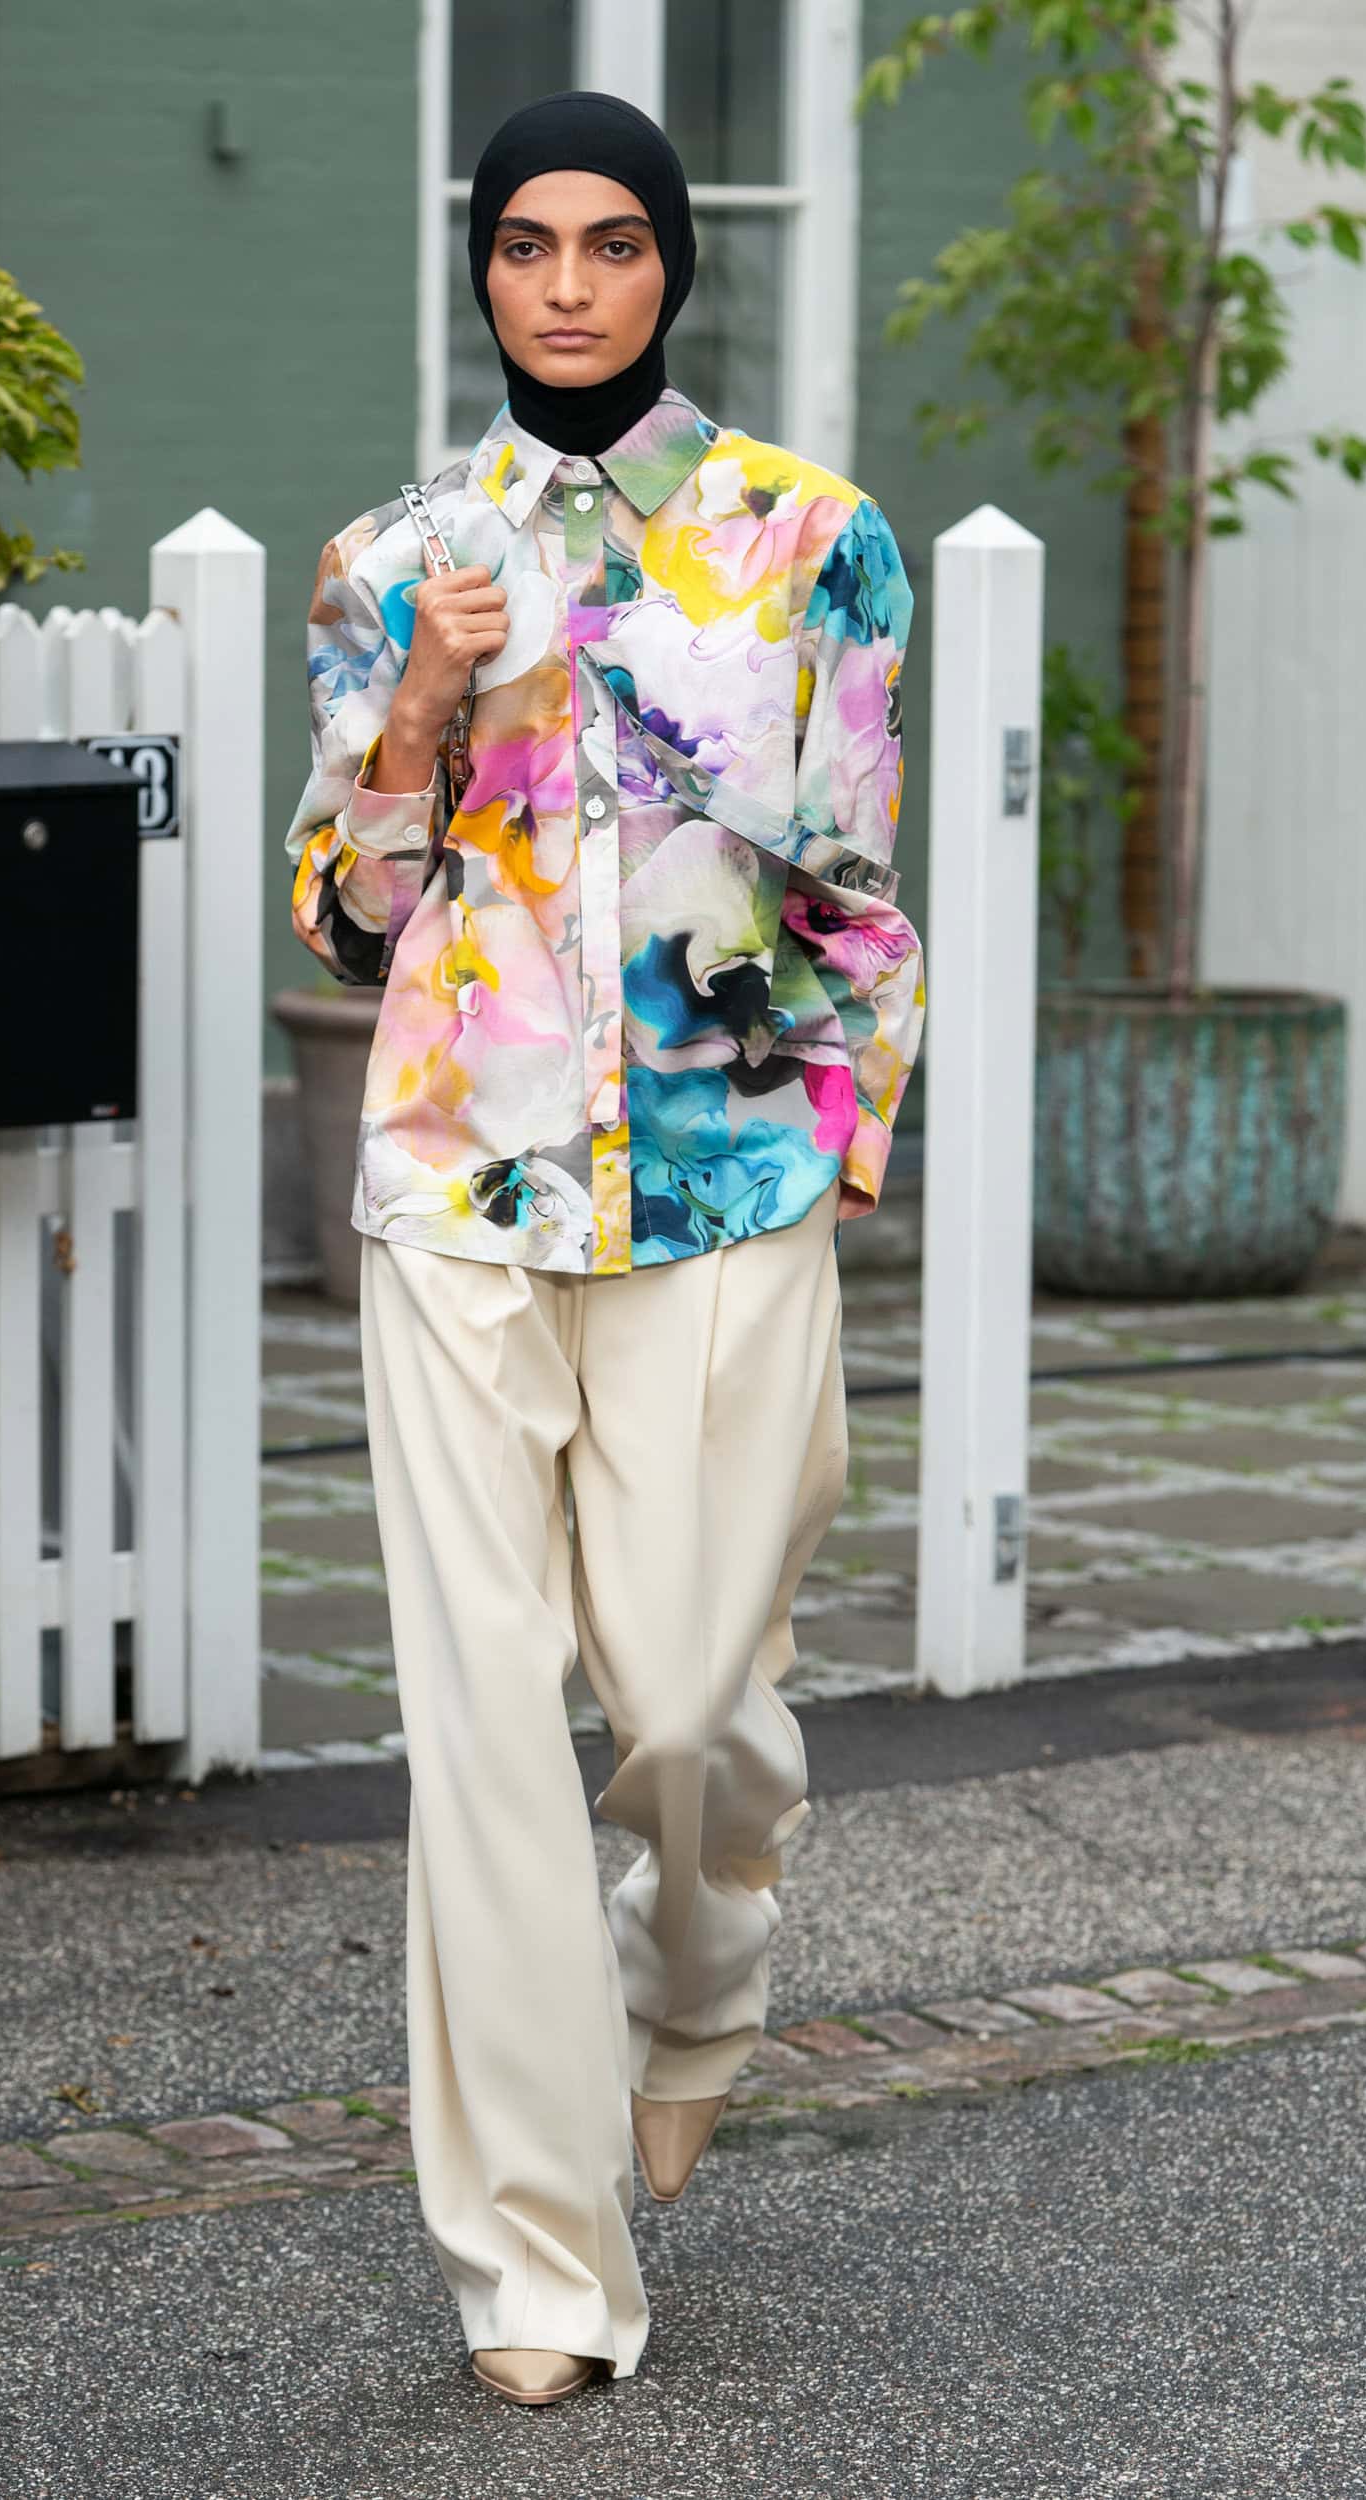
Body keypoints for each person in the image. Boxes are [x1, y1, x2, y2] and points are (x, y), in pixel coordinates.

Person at [284, 90, 924, 2407]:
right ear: (483, 267)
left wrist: (843, 1143)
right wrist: (425, 700)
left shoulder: (812, 540)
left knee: (687, 1705)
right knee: (482, 1734)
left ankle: (700, 1981)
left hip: (725, 1190)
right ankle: (538, 2268)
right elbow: (348, 914)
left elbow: (857, 887)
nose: (567, 283)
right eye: (528, 242)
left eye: (614, 242)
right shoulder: (390, 558)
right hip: (460, 1189)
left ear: (672, 266)